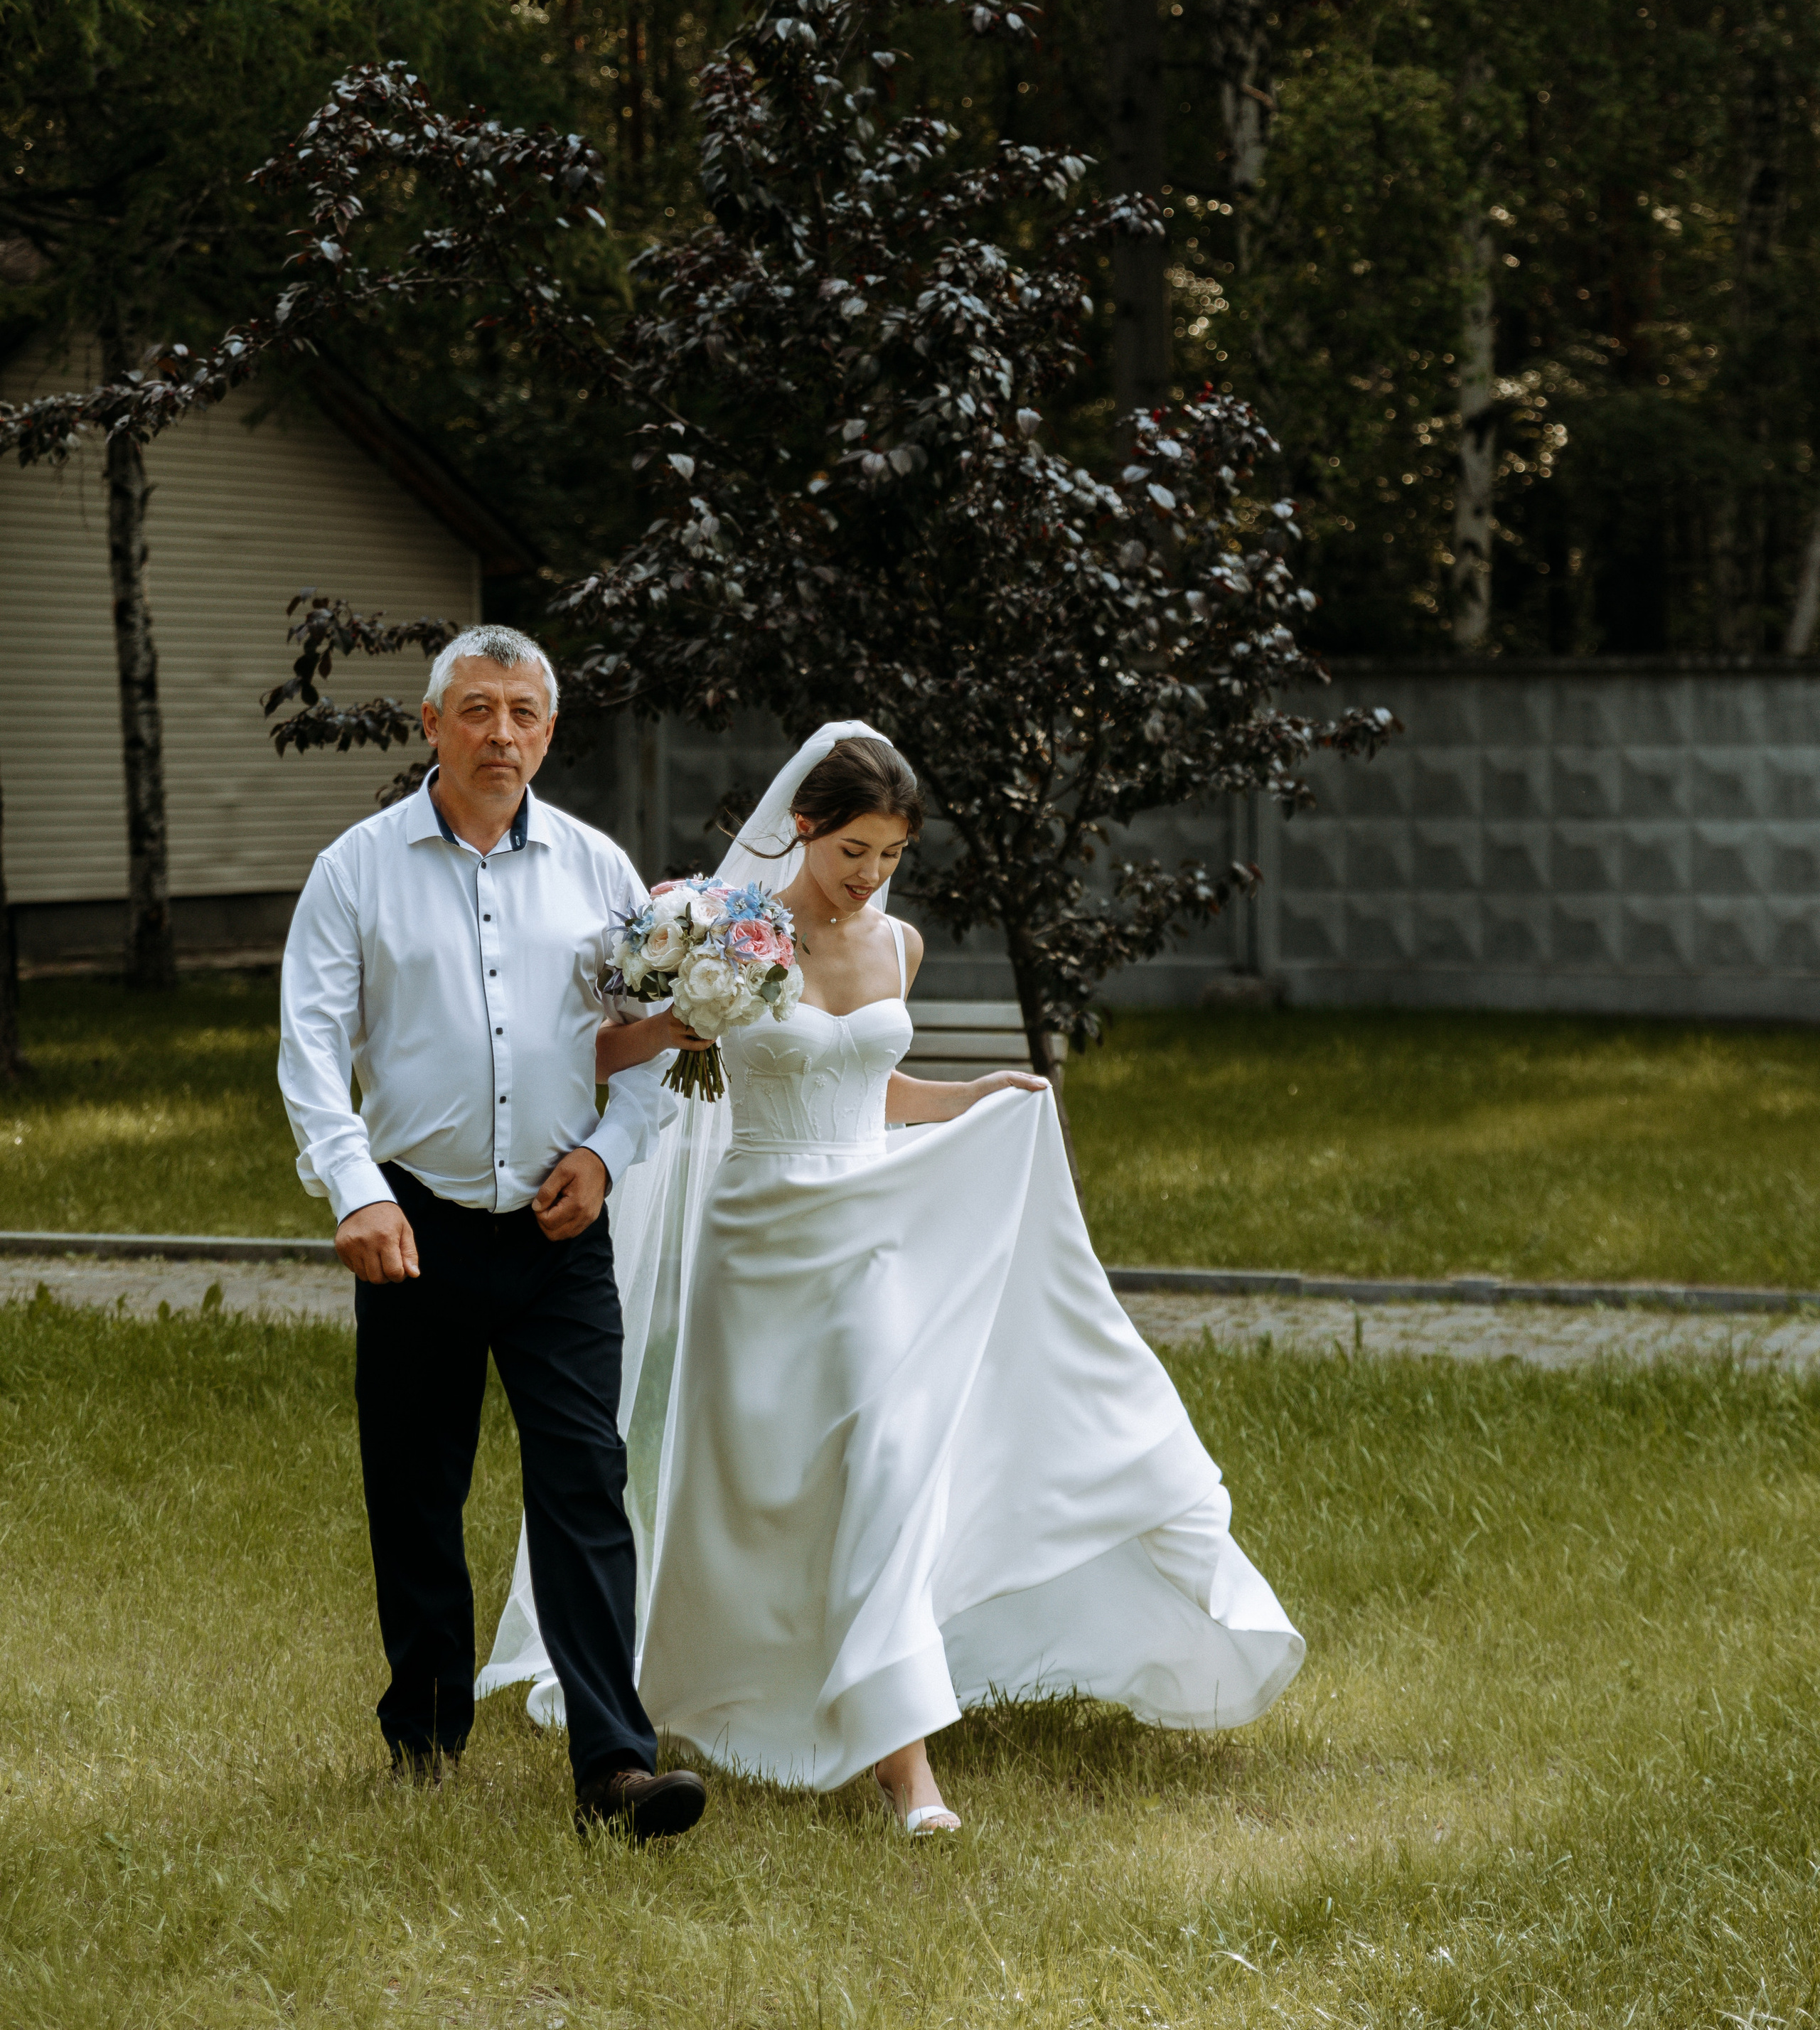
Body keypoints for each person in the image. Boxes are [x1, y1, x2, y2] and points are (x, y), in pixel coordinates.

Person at [478, 720, 1305, 1833]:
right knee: (761, 1496)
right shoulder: (728, 933)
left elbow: (873, 1083)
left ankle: (906, 1770)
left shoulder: (898, 946)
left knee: (882, 1459)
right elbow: (601, 1047)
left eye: (891, 856)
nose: (870, 876)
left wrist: (973, 1100)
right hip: (759, 1236)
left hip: (870, 1237)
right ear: (803, 829)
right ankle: (714, 1687)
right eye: (853, 850)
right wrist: (690, 1015)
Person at [277, 624, 709, 1845]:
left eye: (523, 713)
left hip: (560, 1232)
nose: (501, 734)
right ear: (431, 725)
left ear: (550, 732)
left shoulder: (599, 871)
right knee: (417, 1487)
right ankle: (422, 1735)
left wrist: (606, 1156)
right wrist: (355, 1189)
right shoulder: (355, 870)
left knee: (586, 1483)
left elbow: (647, 1037)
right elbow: (311, 1048)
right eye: (476, 709)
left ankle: (616, 1768)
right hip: (414, 1221)